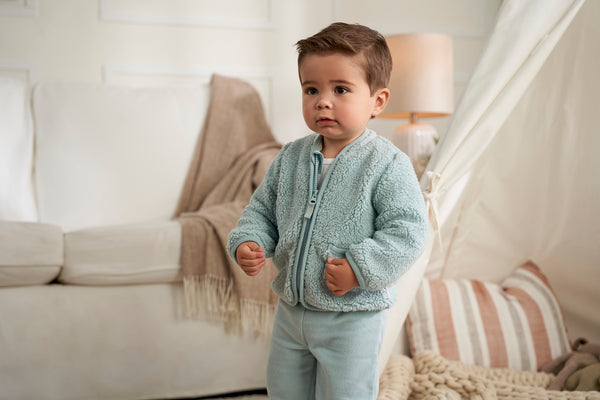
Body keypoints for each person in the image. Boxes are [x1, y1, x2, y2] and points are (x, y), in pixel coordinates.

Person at [227, 22, 428, 400]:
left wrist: (360, 267)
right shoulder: (290, 157)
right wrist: (249, 240)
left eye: (340, 89)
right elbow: (262, 210)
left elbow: (409, 231)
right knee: (284, 390)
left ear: (378, 101)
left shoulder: (387, 164)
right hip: (291, 311)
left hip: (350, 317)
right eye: (311, 89)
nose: (323, 100)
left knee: (345, 394)